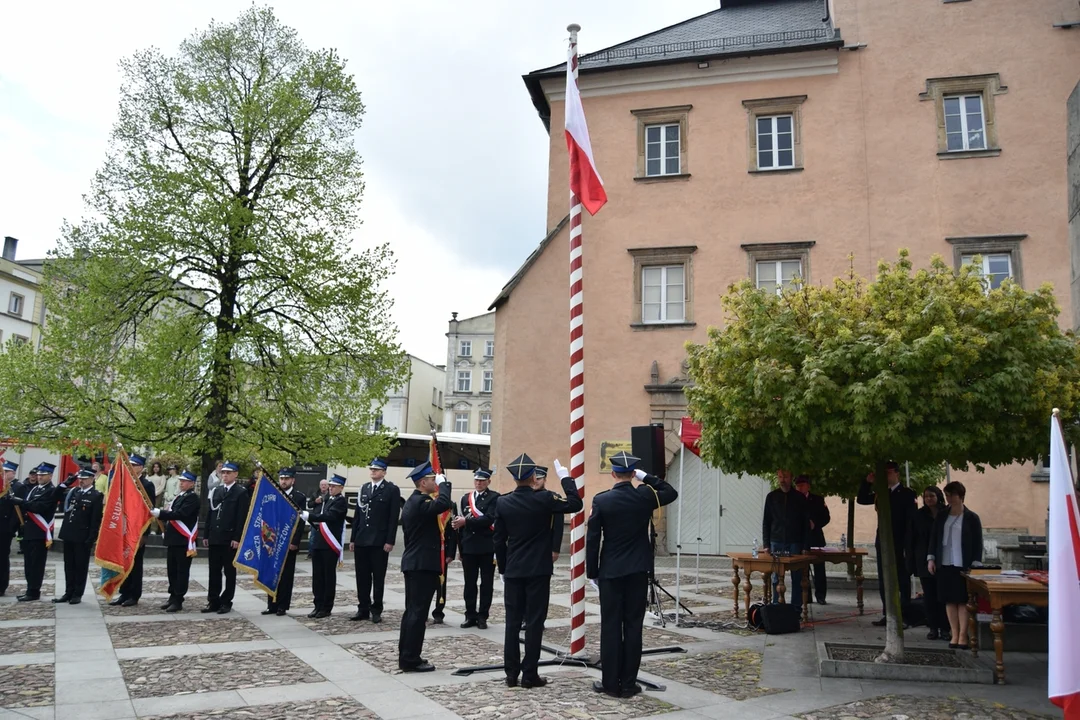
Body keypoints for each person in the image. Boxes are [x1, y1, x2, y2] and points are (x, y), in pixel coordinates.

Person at [586, 451, 678, 698]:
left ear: (613, 473)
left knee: (611, 626)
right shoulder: (645, 495)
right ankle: (628, 683)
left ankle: (609, 683)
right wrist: (646, 477)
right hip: (638, 569)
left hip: (611, 572)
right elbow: (670, 491)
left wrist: (592, 572)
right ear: (632, 474)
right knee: (634, 626)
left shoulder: (602, 500)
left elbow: (593, 539)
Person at [494, 453, 583, 688]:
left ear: (515, 479)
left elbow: (498, 540)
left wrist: (503, 568)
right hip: (538, 569)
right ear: (534, 477)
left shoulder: (502, 502)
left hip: (513, 569)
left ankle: (511, 673)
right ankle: (529, 673)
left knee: (512, 623)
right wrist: (566, 479)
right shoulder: (545, 498)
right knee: (534, 622)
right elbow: (576, 504)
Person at [397, 462, 453, 672]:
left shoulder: (415, 501)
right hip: (421, 565)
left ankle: (407, 656)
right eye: (432, 479)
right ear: (423, 482)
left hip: (416, 564)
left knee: (413, 612)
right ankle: (410, 659)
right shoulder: (419, 502)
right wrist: (445, 484)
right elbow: (444, 504)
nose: (435, 482)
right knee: (417, 614)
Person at [857, 461, 917, 626]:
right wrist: (867, 482)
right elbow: (861, 499)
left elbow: (911, 521)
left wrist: (908, 545)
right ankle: (888, 613)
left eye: (888, 473)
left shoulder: (906, 493)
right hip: (883, 540)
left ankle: (903, 615)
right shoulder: (881, 493)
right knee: (884, 579)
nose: (885, 476)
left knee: (902, 579)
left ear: (897, 473)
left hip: (900, 541)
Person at [928, 481, 983, 649]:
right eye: (946, 495)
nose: (948, 498)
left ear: (960, 496)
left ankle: (962, 635)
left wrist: (975, 563)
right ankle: (953, 632)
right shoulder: (942, 515)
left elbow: (977, 542)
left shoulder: (971, 517)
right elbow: (934, 537)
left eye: (951, 495)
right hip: (945, 562)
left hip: (963, 564)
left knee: (962, 600)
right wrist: (931, 558)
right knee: (949, 599)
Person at [349, 459, 401, 623]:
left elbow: (393, 518)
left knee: (378, 577)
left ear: (384, 472)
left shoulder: (391, 490)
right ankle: (363, 608)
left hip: (379, 541)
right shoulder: (363, 488)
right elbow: (358, 515)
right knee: (361, 577)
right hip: (362, 539)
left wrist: (390, 540)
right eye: (372, 469)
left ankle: (376, 609)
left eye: (377, 470)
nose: (373, 472)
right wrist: (353, 539)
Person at [452, 467, 499, 629]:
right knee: (469, 583)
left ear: (488, 481)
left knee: (486, 584)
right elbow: (462, 526)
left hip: (487, 546)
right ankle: (470, 614)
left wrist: (467, 522)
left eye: (482, 480)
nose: (479, 483)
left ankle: (483, 616)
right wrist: (460, 548)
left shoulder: (494, 498)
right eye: (477, 480)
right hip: (469, 547)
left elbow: (489, 519)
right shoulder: (466, 498)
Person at [761, 468, 810, 612]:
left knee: (797, 577)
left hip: (795, 541)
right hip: (776, 541)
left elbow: (805, 523)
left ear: (791, 478)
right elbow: (766, 522)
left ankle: (796, 608)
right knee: (776, 576)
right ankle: (777, 606)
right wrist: (766, 544)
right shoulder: (771, 497)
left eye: (786, 477)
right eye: (780, 477)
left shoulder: (800, 498)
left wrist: (805, 545)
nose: (783, 480)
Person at [203, 461, 248, 614]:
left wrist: (237, 537)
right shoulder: (216, 491)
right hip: (215, 536)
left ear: (235, 474)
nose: (225, 475)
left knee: (229, 572)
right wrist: (207, 534)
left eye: (229, 472)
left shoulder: (240, 492)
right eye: (223, 472)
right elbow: (211, 513)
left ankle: (226, 601)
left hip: (229, 538)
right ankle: (213, 600)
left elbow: (241, 517)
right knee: (213, 571)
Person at [113, 454, 157, 607]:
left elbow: (149, 510)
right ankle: (123, 593)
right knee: (123, 562)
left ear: (140, 467)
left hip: (138, 530)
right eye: (129, 464)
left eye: (133, 465)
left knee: (136, 563)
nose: (130, 467)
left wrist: (145, 533)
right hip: (124, 529)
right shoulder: (124, 483)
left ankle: (134, 594)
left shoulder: (147, 485)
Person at [153, 470, 200, 612]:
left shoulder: (192, 498)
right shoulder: (179, 496)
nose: (181, 483)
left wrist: (161, 513)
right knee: (172, 570)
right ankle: (172, 596)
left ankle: (178, 599)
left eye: (184, 481)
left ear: (191, 483)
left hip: (183, 540)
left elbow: (181, 514)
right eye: (180, 480)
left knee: (181, 571)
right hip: (174, 539)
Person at [54, 469, 104, 604]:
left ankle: (77, 593)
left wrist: (91, 537)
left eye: (85, 478)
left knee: (80, 566)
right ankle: (68, 592)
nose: (81, 480)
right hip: (69, 533)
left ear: (92, 479)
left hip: (82, 536)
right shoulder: (74, 491)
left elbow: (95, 519)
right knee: (68, 565)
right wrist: (66, 483)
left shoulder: (96, 495)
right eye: (80, 478)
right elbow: (56, 495)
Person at [302, 473, 348, 618]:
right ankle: (318, 604)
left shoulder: (340, 502)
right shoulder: (328, 500)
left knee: (328, 576)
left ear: (341, 487)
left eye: (334, 486)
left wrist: (310, 516)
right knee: (318, 576)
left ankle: (326, 607)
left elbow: (330, 517)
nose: (331, 488)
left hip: (330, 544)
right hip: (319, 543)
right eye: (330, 486)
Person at [11, 463, 58, 601]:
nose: (39, 477)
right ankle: (29, 588)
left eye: (43, 475)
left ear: (50, 476)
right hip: (29, 531)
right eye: (38, 475)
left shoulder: (51, 491)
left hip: (40, 532)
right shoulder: (35, 489)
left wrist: (20, 502)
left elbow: (39, 507)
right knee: (28, 563)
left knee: (36, 564)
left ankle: (34, 590)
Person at [264, 467, 306, 616]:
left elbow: (300, 522)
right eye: (281, 478)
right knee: (272, 571)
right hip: (273, 540)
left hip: (288, 541)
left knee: (286, 575)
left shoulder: (299, 497)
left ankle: (282, 605)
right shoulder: (274, 494)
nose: (283, 481)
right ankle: (272, 604)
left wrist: (295, 541)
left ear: (292, 480)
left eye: (286, 479)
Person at [910, 485, 947, 640]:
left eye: (931, 496)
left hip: (943, 560)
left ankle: (945, 627)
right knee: (929, 596)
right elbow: (912, 538)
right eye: (926, 497)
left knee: (943, 596)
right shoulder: (919, 515)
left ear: (938, 496)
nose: (929, 499)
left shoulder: (946, 514)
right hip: (923, 559)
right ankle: (933, 627)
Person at [795, 475, 831, 605]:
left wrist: (815, 523)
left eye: (802, 485)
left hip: (815, 538)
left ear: (808, 486)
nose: (800, 488)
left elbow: (826, 517)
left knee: (819, 568)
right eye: (798, 485)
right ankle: (806, 595)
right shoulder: (793, 499)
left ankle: (821, 595)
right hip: (799, 539)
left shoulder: (817, 499)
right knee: (802, 569)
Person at [0, 460, 21, 596]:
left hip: (5, 529)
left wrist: (12, 529)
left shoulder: (17, 487)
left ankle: (1, 585)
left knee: (2, 558)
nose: (4, 474)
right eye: (3, 472)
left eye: (6, 472)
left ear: (12, 473)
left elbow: (17, 511)